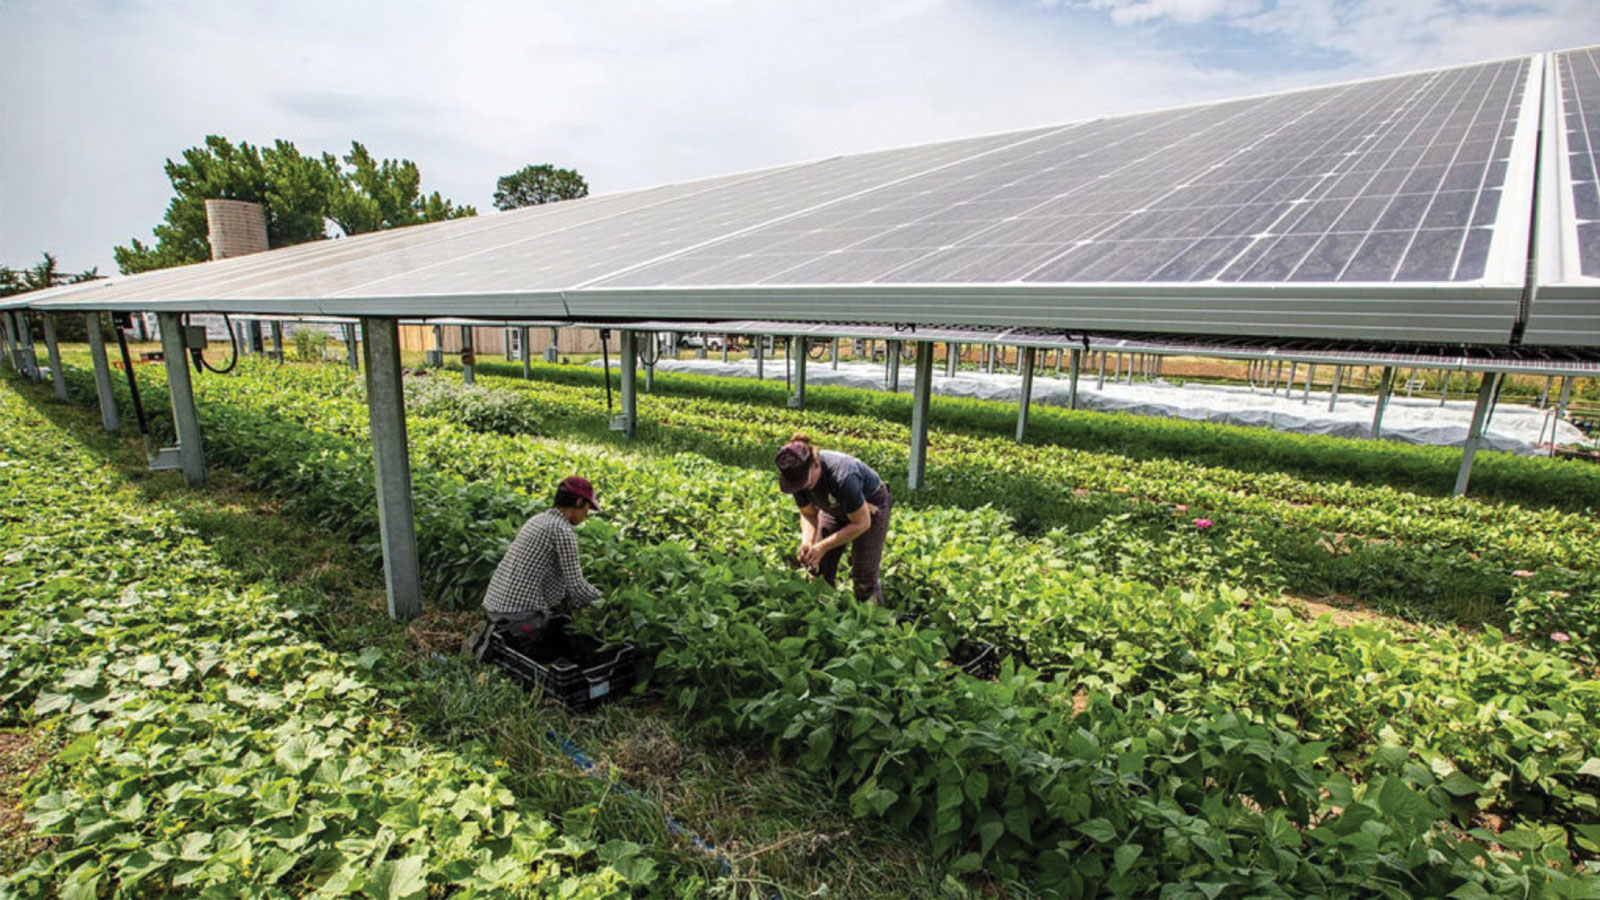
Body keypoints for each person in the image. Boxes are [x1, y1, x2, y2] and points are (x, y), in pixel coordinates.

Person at [467, 476, 603, 658]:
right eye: (587, 508)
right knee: (547, 651)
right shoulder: (562, 530)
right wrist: (605, 603)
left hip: (494, 606)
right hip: (518, 615)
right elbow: (576, 587)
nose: (587, 514)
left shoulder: (538, 520)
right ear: (579, 502)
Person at [775, 433, 891, 604]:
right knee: (818, 569)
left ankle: (874, 618)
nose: (801, 488)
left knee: (863, 576)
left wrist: (822, 546)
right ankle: (824, 612)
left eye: (804, 483)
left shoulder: (843, 476)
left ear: (815, 464)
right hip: (833, 507)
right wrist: (808, 542)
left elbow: (861, 523)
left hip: (869, 508)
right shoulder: (796, 477)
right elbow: (808, 513)